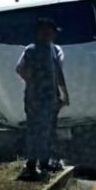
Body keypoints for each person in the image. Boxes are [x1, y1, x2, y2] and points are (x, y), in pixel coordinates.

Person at [16, 18, 69, 179]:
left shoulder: (53, 50)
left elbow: (58, 74)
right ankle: (33, 165)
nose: (48, 35)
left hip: (49, 98)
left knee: (46, 131)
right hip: (36, 99)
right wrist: (34, 82)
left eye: (50, 32)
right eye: (45, 32)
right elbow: (20, 69)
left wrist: (63, 94)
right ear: (39, 33)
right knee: (37, 131)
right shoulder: (31, 50)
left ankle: (43, 164)